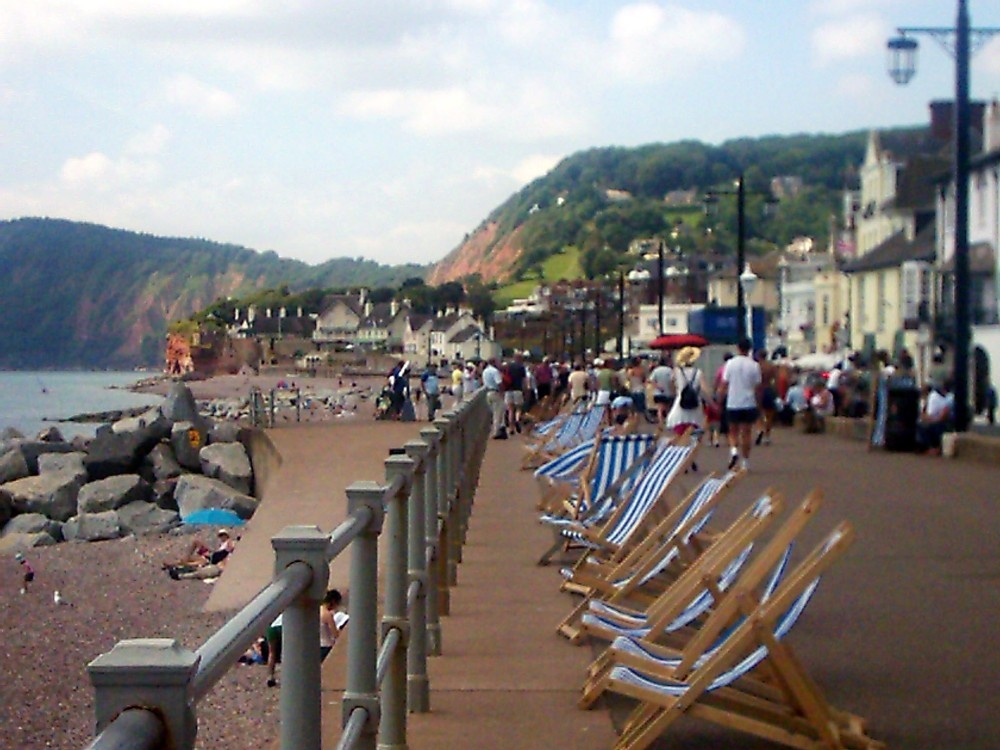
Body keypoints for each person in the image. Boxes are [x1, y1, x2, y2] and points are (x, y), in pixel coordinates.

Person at [720, 338, 761, 472]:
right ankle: (746, 461)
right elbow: (757, 386)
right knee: (747, 433)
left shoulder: (730, 364)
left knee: (732, 431)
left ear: (738, 348)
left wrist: (720, 397)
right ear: (749, 349)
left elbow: (724, 383)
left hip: (733, 401)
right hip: (749, 402)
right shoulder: (754, 365)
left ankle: (733, 451)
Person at [666, 346, 705, 438]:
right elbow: (704, 389)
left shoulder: (677, 371)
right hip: (694, 403)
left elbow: (671, 385)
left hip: (681, 401)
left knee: (678, 432)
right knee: (694, 432)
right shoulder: (698, 372)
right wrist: (712, 403)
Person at [916, 380, 954, 455]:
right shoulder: (930, 398)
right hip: (935, 420)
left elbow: (942, 416)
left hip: (944, 423)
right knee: (920, 425)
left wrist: (931, 420)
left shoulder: (949, 398)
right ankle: (926, 448)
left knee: (926, 427)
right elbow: (924, 414)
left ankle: (934, 448)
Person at [320, 589, 349, 662]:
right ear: (333, 602)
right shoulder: (328, 615)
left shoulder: (317, 610)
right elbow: (335, 634)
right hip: (327, 646)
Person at [504, 352, 528, 433]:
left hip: (508, 389)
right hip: (518, 389)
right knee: (518, 408)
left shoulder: (508, 366)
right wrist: (525, 390)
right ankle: (517, 420)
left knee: (510, 410)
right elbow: (524, 380)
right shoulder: (521, 367)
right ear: (520, 358)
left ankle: (511, 428)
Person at [482, 358, 506, 438]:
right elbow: (499, 383)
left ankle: (498, 429)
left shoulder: (485, 371)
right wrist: (502, 392)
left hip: (488, 392)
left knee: (494, 412)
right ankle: (496, 432)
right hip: (495, 392)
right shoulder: (495, 371)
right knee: (498, 413)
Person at [648, 356, 673, 428]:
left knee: (660, 409)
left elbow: (650, 380)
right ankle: (669, 422)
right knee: (668, 408)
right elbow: (673, 380)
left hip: (658, 393)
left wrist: (657, 386)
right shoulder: (670, 370)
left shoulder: (656, 370)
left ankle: (661, 423)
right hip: (668, 392)